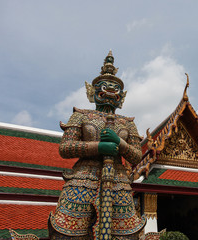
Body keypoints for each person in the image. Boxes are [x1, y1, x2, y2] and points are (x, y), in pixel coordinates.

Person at [48, 51, 146, 239]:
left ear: (122, 97)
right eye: (105, 86)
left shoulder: (128, 123)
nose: (111, 90)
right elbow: (65, 147)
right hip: (83, 179)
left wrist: (121, 144)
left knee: (126, 235)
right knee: (68, 233)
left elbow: (136, 156)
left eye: (115, 88)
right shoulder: (81, 115)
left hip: (118, 181)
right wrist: (99, 147)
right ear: (92, 92)